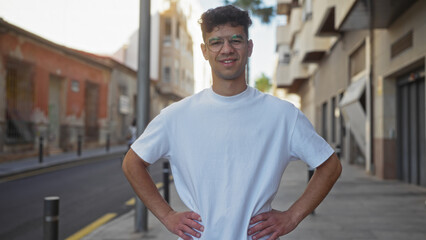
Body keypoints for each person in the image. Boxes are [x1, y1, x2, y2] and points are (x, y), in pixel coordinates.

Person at [122, 5, 342, 240]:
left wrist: (292, 216)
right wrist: (167, 216)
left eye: (236, 40)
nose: (227, 49)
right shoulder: (175, 116)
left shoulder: (282, 115)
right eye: (216, 42)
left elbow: (330, 166)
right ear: (205, 51)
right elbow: (132, 163)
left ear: (249, 47)